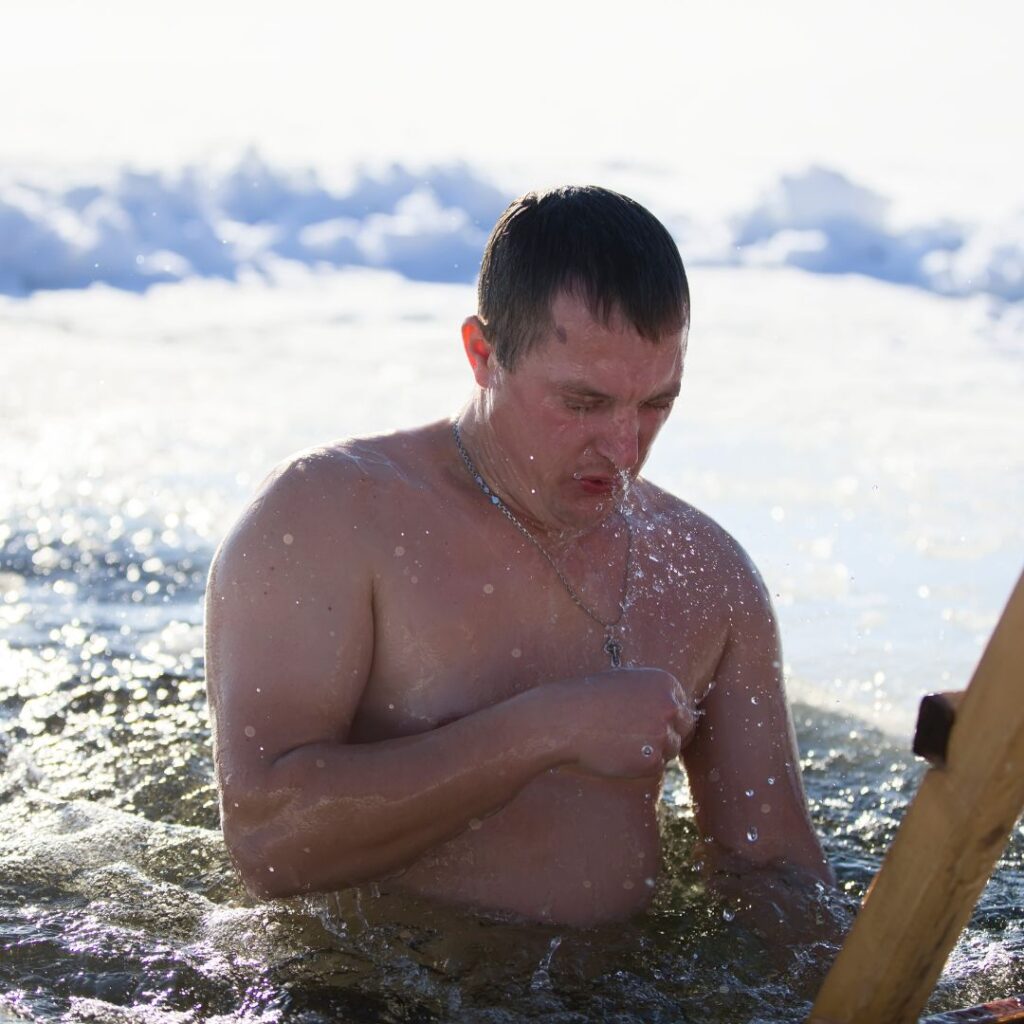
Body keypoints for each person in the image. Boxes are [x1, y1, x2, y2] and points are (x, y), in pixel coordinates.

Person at [205, 185, 834, 928]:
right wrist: (545, 731)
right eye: (583, 403)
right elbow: (267, 841)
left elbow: (774, 874)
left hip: (620, 996)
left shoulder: (708, 571)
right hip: (373, 993)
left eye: (656, 404)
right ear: (483, 354)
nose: (626, 449)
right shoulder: (330, 518)